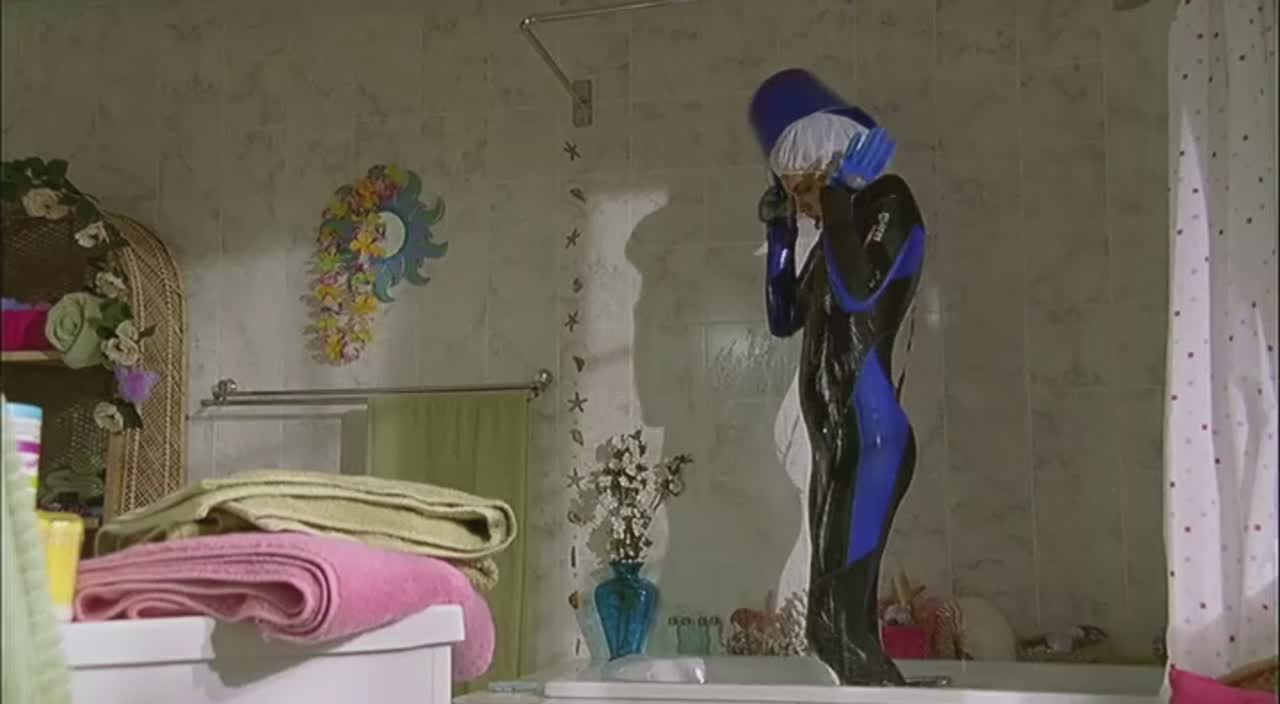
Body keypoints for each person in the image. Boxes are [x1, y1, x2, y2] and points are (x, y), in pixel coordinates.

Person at [749, 69, 926, 685]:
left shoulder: (890, 203)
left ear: (828, 160)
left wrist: (840, 201)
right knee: (826, 630)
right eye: (791, 192)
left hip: (872, 438)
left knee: (844, 631)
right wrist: (779, 237)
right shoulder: (835, 234)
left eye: (803, 187)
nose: (802, 204)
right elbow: (783, 318)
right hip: (837, 442)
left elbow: (858, 294)